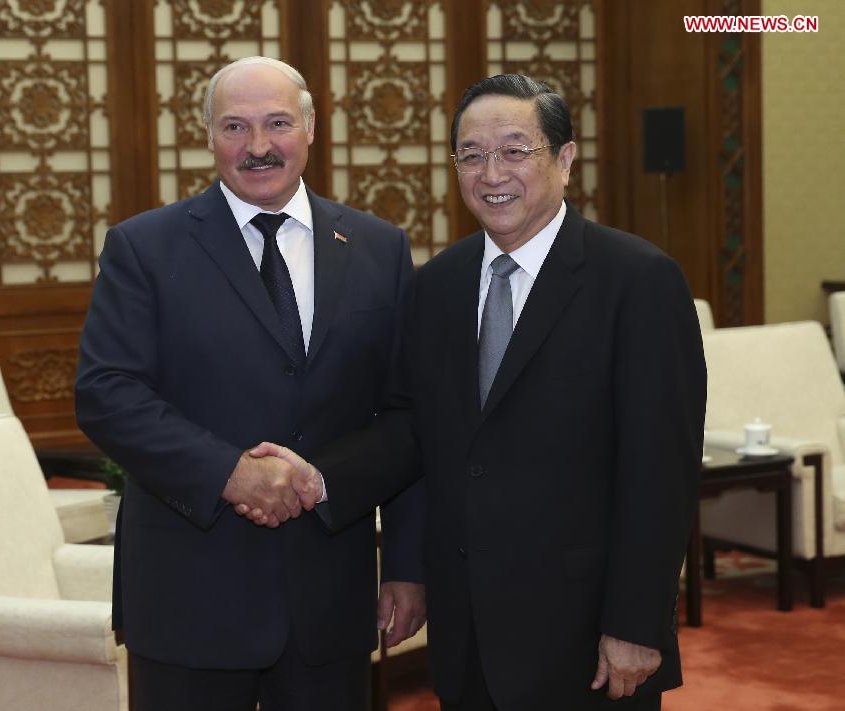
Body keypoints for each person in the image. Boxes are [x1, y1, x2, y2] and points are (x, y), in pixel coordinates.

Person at [244, 75, 707, 710]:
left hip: (586, 632)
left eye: (516, 150)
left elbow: (662, 473)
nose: (493, 173)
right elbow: (412, 427)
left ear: (565, 159)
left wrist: (636, 623)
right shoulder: (438, 285)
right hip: (467, 630)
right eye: (472, 154)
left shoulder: (638, 282)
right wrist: (322, 478)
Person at [75, 56, 425, 711]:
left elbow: (406, 415)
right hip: (188, 599)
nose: (258, 146)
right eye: (235, 126)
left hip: (330, 600)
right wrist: (227, 471)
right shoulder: (144, 248)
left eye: (277, 123)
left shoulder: (380, 247)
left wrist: (406, 566)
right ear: (207, 134)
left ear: (312, 127)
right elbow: (107, 393)